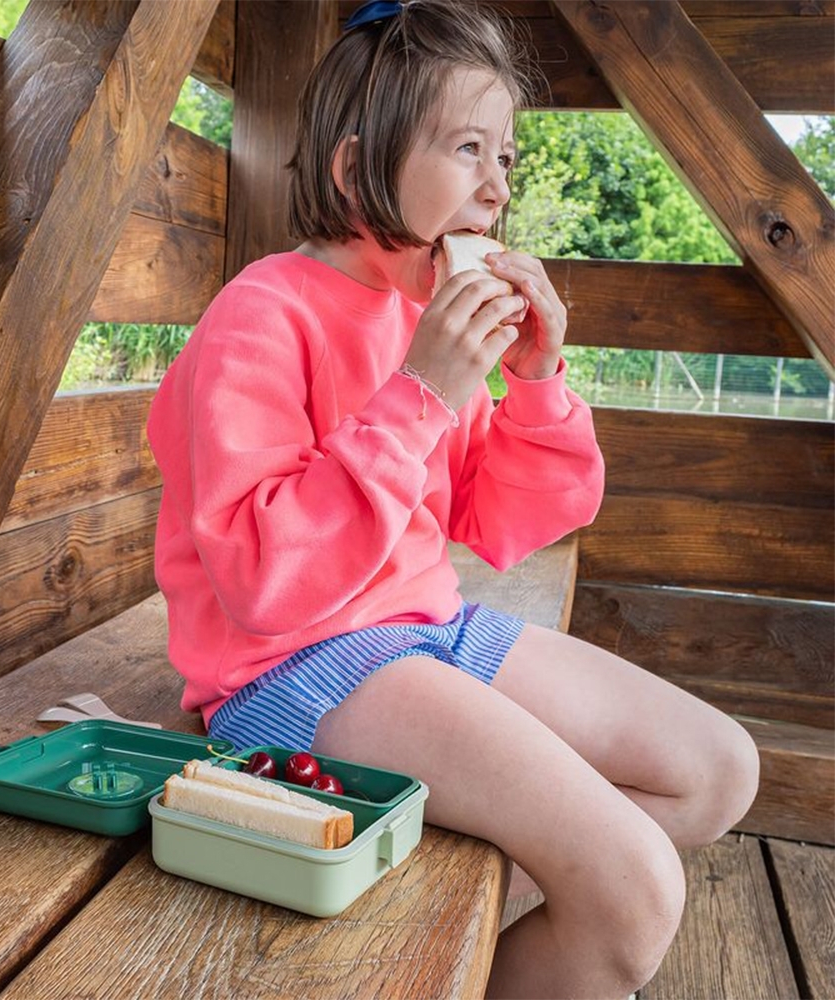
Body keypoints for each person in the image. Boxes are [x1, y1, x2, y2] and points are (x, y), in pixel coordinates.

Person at [147, 2, 760, 996]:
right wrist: (421, 390)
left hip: (431, 627)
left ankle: (453, 911)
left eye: (507, 156)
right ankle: (527, 903)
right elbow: (263, 581)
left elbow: (504, 519)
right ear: (355, 169)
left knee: (714, 769)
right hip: (290, 668)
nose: (496, 183)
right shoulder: (261, 314)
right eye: (467, 147)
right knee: (635, 889)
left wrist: (535, 377)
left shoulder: (425, 314)